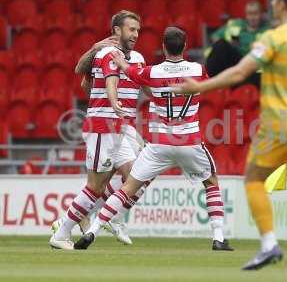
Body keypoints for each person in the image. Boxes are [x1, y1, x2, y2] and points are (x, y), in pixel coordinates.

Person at [172, 0, 287, 271]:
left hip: (279, 124)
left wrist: (200, 87)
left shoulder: (273, 38)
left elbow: (240, 71)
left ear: (281, 4)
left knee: (253, 179)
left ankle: (269, 245)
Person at [73, 26, 234, 252]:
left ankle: (93, 230)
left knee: (127, 188)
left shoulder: (153, 72)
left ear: (163, 47)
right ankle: (218, 237)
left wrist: (120, 63)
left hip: (159, 143)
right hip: (188, 141)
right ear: (185, 46)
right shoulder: (198, 70)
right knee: (211, 183)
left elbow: (131, 73)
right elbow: (210, 82)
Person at [49, 10, 148, 250]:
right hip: (102, 126)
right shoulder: (104, 53)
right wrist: (109, 102)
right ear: (116, 30)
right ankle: (62, 232)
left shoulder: (139, 58)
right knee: (96, 187)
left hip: (121, 128)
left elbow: (145, 86)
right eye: (131, 29)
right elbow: (82, 76)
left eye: (137, 29)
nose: (136, 34)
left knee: (138, 177)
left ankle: (110, 217)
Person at [205, 0, 269, 88]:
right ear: (246, 15)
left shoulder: (268, 31)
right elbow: (215, 37)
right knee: (221, 45)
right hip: (235, 61)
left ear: (261, 14)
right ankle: (209, 80)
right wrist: (230, 45)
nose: (252, 17)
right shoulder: (235, 25)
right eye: (250, 14)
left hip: (252, 66)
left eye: (255, 14)